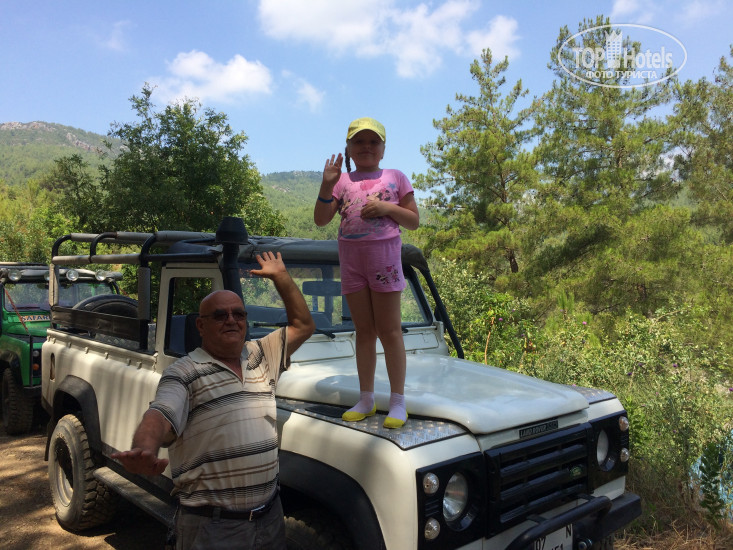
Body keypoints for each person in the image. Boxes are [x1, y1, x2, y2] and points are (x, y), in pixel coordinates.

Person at [110, 251, 315, 550]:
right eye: (220, 315)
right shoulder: (185, 371)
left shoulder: (261, 355)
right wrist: (145, 448)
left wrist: (281, 277)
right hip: (214, 527)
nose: (231, 320)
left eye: (238, 314)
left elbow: (304, 325)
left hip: (270, 518)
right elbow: (160, 414)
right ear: (201, 326)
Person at [313, 117, 419, 429]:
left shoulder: (395, 176)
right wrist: (326, 184)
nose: (366, 147)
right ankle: (366, 398)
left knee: (390, 331)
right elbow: (321, 219)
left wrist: (387, 208)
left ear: (383, 149)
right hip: (352, 261)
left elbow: (413, 221)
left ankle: (397, 402)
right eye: (359, 141)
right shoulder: (342, 181)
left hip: (384, 260)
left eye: (374, 142)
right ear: (348, 148)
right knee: (364, 331)